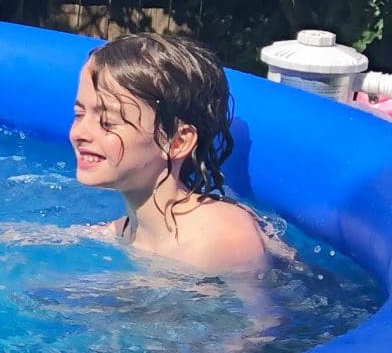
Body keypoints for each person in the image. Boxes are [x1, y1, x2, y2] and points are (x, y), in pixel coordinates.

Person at [68, 34, 272, 275]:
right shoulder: (122, 232)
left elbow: (266, 313)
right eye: (79, 114)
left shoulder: (223, 240)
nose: (80, 132)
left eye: (108, 122)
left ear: (177, 142)